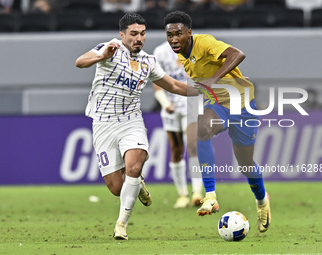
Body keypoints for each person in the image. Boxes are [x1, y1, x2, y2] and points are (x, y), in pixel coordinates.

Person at [75, 13, 199, 240]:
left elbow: (172, 84)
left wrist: (204, 91)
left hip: (131, 121)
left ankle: (121, 224)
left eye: (142, 33)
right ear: (122, 35)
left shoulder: (148, 61)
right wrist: (101, 56)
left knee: (134, 164)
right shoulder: (108, 48)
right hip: (103, 123)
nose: (138, 38)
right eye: (133, 34)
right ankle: (137, 185)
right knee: (115, 187)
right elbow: (80, 62)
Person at [163, 10, 271, 233]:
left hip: (242, 105)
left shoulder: (204, 43)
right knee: (202, 131)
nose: (174, 38)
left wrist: (213, 80)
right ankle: (210, 196)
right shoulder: (182, 55)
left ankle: (262, 201)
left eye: (178, 33)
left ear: (189, 33)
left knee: (245, 163)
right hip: (218, 105)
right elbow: (198, 88)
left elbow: (238, 55)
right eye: (169, 34)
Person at [152, 41, 203, 209]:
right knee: (176, 148)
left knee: (193, 145)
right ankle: (182, 195)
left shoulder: (197, 49)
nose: (175, 36)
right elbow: (157, 84)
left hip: (192, 103)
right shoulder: (160, 52)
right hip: (171, 106)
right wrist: (165, 103)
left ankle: (197, 192)